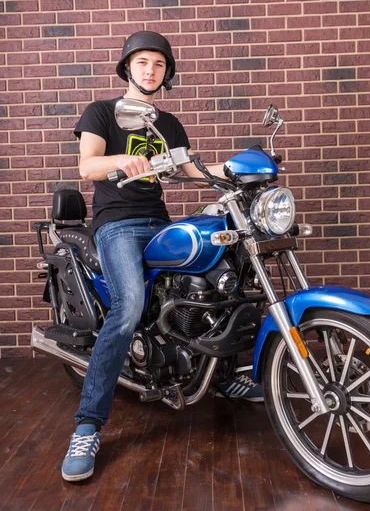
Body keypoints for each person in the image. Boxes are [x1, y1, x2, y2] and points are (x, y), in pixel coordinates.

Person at [62, 31, 262, 483]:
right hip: (117, 225)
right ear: (127, 68)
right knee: (129, 306)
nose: (150, 70)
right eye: (142, 62)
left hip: (160, 223)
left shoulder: (166, 124)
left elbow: (192, 170)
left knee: (222, 277)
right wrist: (122, 162)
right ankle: (88, 424)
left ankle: (222, 374)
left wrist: (237, 174)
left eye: (157, 63)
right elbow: (87, 165)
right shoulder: (102, 112)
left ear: (166, 72)